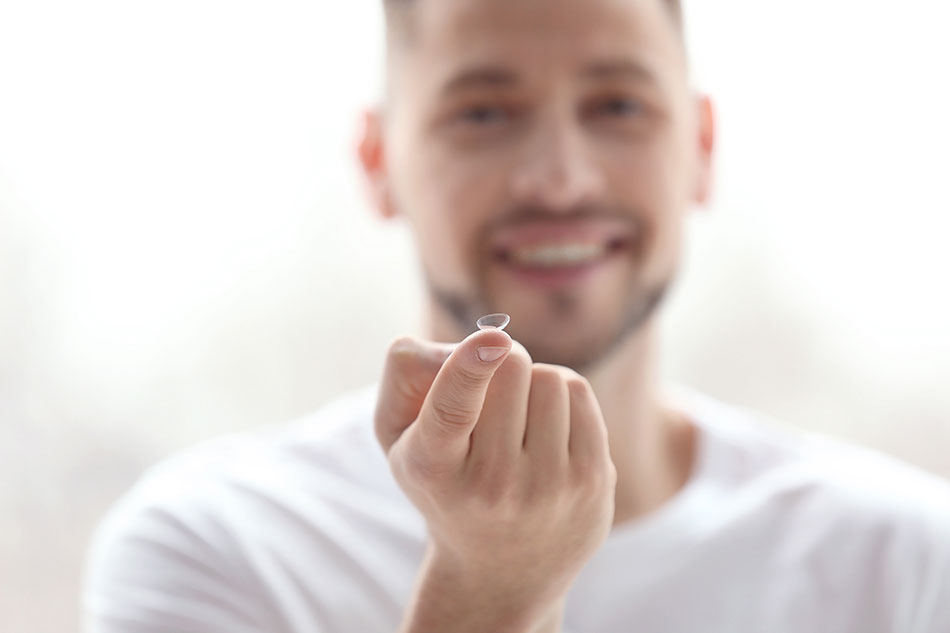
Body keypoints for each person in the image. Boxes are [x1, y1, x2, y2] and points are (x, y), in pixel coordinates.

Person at [83, 0, 950, 631]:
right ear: (379, 161)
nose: (560, 178)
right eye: (484, 113)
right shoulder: (212, 548)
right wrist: (488, 592)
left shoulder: (907, 563)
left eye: (618, 105)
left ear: (701, 147)